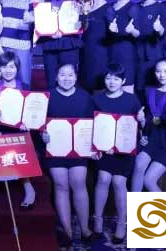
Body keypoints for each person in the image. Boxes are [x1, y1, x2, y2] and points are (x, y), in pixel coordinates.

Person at [40, 64, 93, 245]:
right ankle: (68, 231)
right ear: (56, 77)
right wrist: (43, 134)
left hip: (79, 149)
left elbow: (92, 123)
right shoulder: (47, 96)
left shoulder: (85, 97)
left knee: (79, 183)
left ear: (76, 77)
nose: (66, 78)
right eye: (62, 75)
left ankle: (85, 229)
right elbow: (39, 124)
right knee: (61, 185)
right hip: (55, 149)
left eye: (70, 75)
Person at [92, 64, 142, 243]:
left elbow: (138, 126)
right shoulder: (97, 97)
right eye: (108, 78)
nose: (112, 82)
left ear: (123, 81)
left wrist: (142, 120)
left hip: (124, 150)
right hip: (103, 149)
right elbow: (92, 125)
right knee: (103, 178)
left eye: (116, 78)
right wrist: (97, 147)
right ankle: (97, 220)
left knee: (119, 182)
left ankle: (122, 222)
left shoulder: (132, 99)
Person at [0, 51, 36, 208]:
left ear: (17, 68)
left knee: (22, 140)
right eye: (4, 66)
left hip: (17, 130)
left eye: (12, 67)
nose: (8, 70)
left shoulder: (25, 87)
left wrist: (27, 122)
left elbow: (31, 113)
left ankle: (28, 186)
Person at [131, 58, 166, 192]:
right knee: (138, 165)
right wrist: (141, 121)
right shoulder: (148, 91)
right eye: (158, 71)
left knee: (148, 180)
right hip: (151, 138)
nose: (162, 75)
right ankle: (133, 204)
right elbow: (148, 119)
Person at [0, 0, 43, 88]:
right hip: (4, 43)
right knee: (3, 81)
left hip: (22, 43)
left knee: (24, 81)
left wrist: (33, 19)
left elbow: (40, 20)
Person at [38, 0, 81, 89]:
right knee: (51, 81)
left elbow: (83, 22)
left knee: (68, 82)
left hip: (69, 44)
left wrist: (80, 23)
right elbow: (41, 19)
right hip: (50, 44)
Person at [106, 0, 139, 93]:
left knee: (126, 88)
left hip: (126, 54)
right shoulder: (109, 7)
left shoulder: (134, 7)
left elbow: (139, 34)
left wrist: (132, 31)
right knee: (110, 88)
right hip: (110, 52)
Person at [79, 0, 110, 92]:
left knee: (98, 87)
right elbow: (82, 29)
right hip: (85, 50)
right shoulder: (85, 6)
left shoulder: (109, 8)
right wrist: (84, 13)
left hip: (101, 54)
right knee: (84, 84)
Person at [135, 0, 166, 90]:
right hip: (135, 55)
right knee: (137, 89)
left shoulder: (161, 8)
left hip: (153, 56)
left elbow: (165, 34)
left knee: (152, 89)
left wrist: (160, 29)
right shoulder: (134, 7)